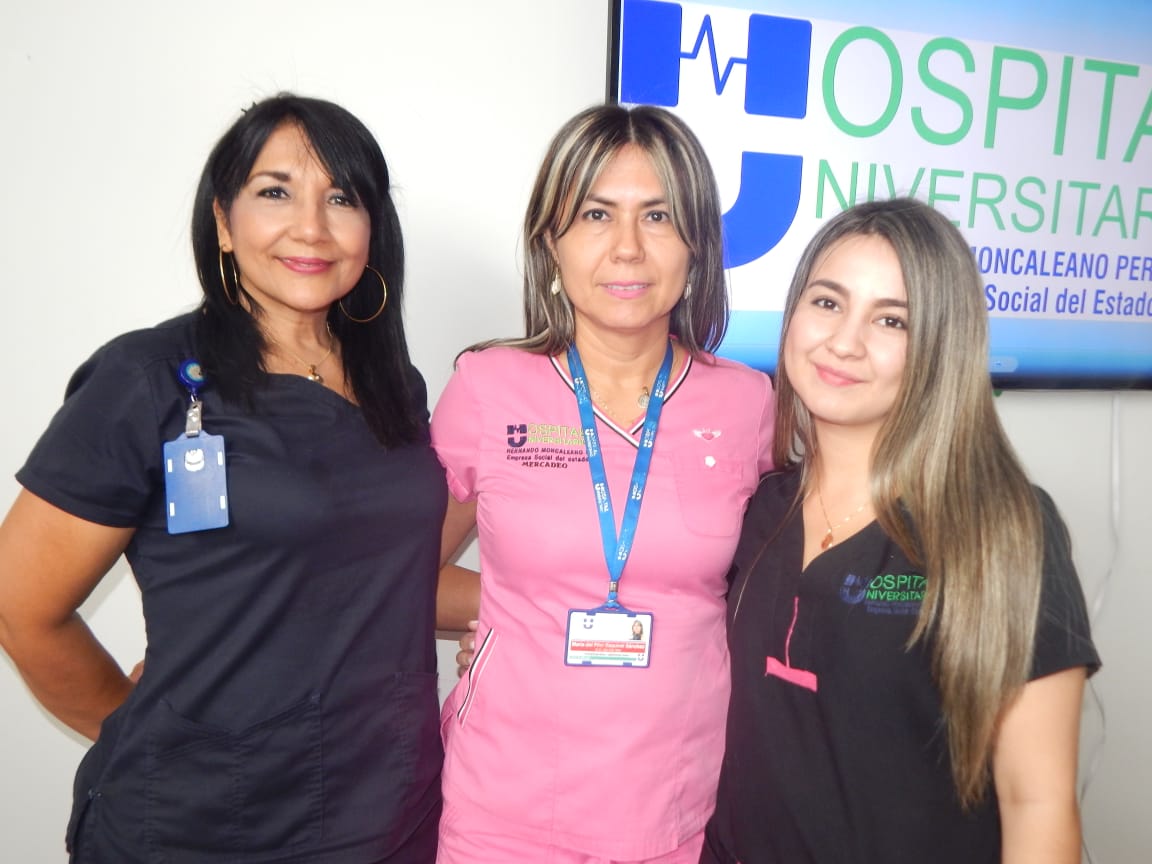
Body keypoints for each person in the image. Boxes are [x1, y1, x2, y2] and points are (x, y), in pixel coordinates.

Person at [0, 94, 445, 863]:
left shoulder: (393, 386)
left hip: (388, 810)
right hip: (199, 824)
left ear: (372, 230)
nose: (311, 226)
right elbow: (20, 609)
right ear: (221, 222)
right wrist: (144, 723)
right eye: (275, 192)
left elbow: (385, 570)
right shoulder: (148, 381)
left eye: (341, 198)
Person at [700, 198, 1100, 864]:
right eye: (827, 303)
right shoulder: (757, 509)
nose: (845, 342)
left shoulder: (1001, 530)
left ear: (942, 346)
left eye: (892, 320)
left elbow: (1039, 803)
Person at [431, 104, 775, 863]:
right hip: (503, 810)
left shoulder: (749, 403)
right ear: (550, 240)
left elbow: (774, 597)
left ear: (696, 245)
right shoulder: (489, 388)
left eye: (657, 215)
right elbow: (402, 577)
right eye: (595, 214)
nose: (627, 248)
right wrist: (502, 620)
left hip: (680, 808)